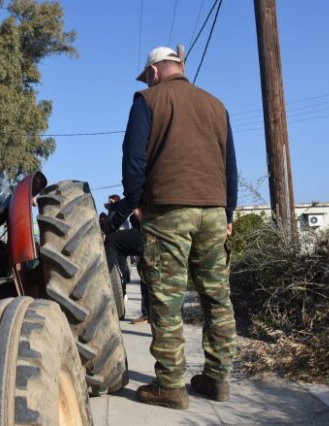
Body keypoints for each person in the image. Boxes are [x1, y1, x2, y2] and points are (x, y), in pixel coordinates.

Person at [104, 46, 238, 409]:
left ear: (155, 70)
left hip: (168, 209)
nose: (147, 80)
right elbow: (230, 166)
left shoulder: (147, 100)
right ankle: (217, 379)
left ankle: (170, 387)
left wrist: (134, 204)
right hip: (213, 210)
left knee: (166, 298)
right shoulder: (216, 104)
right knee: (216, 297)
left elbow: (133, 157)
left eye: (147, 75)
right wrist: (227, 213)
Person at [101, 201, 149, 323]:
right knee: (146, 266)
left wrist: (109, 227)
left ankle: (102, 286)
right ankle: (148, 312)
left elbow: (132, 197)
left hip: (148, 230)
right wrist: (113, 206)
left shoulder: (138, 183)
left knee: (111, 241)